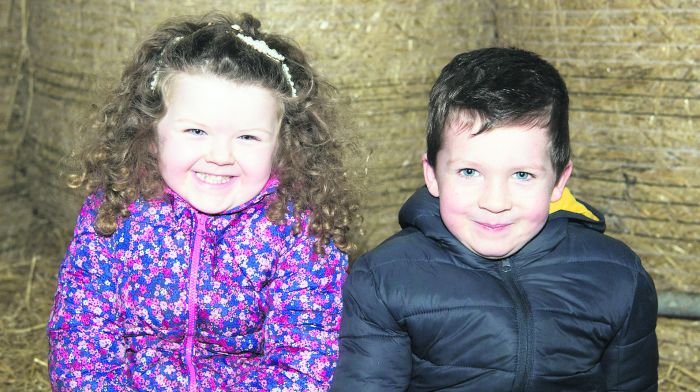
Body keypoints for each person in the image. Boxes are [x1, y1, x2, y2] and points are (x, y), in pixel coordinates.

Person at [47, 12, 358, 391]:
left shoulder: (303, 230)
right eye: (196, 130)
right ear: (149, 131)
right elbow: (81, 333)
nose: (220, 155)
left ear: (284, 145)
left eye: (248, 137)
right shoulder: (116, 209)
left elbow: (303, 361)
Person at [332, 47, 658, 391]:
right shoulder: (385, 279)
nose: (495, 202)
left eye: (522, 175)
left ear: (559, 181)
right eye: (469, 171)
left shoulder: (618, 277)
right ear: (432, 175)